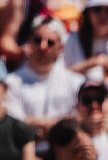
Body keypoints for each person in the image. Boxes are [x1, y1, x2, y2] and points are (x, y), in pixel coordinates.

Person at [5, 14, 85, 150]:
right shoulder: (12, 82)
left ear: (60, 48)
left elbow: (81, 123)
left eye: (50, 42)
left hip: (65, 158)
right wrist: (62, 124)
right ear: (29, 42)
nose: (43, 46)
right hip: (27, 158)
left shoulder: (76, 83)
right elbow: (16, 127)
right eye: (37, 40)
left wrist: (33, 123)